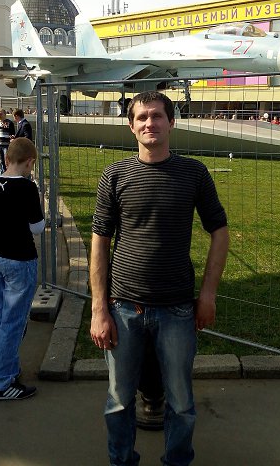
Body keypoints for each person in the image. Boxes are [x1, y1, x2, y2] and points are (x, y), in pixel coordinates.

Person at [90, 90, 229, 466]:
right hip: (124, 308)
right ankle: (122, 461)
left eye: (157, 116)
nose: (149, 123)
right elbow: (100, 241)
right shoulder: (115, 175)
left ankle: (177, 461)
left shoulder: (194, 173)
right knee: (119, 401)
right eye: (142, 117)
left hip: (178, 309)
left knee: (181, 402)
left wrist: (208, 294)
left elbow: (219, 231)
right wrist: (99, 309)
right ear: (131, 126)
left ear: (172, 122)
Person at [0, 138, 44, 400]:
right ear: (30, 162)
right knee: (14, 322)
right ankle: (1, 382)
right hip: (20, 259)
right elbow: (37, 227)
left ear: (7, 159)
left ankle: (7, 368)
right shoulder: (28, 188)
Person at [0, 108, 15, 175]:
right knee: (0, 161)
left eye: (1, 114)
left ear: (5, 114)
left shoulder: (9, 123)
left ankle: (8, 173)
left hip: (6, 145)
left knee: (7, 161)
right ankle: (2, 173)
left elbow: (13, 134)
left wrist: (11, 139)